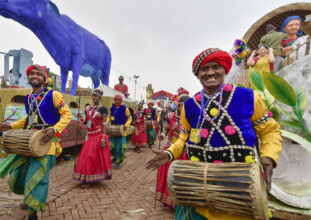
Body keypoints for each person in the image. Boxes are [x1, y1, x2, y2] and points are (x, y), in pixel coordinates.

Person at [147, 48, 282, 220]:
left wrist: (269, 156)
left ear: (225, 70)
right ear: (197, 75)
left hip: (238, 187)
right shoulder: (190, 105)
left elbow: (270, 130)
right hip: (197, 188)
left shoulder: (248, 97)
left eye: (215, 67)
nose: (210, 72)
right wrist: (170, 152)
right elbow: (184, 137)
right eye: (204, 69)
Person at [0, 64, 72, 220]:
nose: (34, 76)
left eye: (38, 74)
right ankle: (29, 198)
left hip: (46, 142)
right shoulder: (28, 97)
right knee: (16, 176)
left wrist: (54, 129)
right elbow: (28, 118)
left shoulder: (53, 95)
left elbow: (67, 115)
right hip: (28, 141)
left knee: (37, 177)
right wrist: (10, 125)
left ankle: (34, 211)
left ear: (44, 78)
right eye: (31, 74)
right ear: (28, 77)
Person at [156, 93, 190, 208]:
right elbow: (166, 129)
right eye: (182, 106)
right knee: (166, 174)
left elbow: (190, 138)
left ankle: (177, 202)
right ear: (178, 105)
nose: (184, 108)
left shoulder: (191, 118)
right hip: (170, 148)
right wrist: (162, 134)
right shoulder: (171, 116)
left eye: (187, 106)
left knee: (178, 176)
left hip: (182, 151)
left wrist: (179, 131)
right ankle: (166, 199)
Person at [73, 89, 112, 182]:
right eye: (93, 95)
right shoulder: (88, 108)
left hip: (98, 135)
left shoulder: (103, 109)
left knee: (94, 157)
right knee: (86, 157)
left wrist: (103, 138)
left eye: (96, 96)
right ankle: (86, 177)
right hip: (89, 135)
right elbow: (86, 122)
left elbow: (104, 124)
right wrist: (81, 118)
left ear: (100, 97)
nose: (94, 97)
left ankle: (95, 177)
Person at [107, 95, 132, 169]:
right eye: (116, 100)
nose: (117, 101)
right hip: (113, 130)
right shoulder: (112, 108)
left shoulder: (125, 108)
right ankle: (115, 157)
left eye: (118, 100)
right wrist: (106, 122)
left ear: (121, 101)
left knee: (119, 147)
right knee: (111, 146)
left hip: (121, 130)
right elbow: (108, 117)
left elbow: (130, 118)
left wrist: (126, 125)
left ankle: (118, 161)